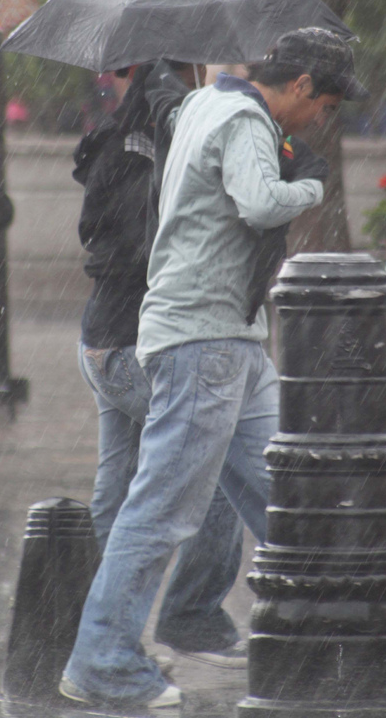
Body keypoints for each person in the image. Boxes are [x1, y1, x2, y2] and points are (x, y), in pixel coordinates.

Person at [59, 28, 369, 709]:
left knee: (286, 487)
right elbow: (258, 203)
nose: (320, 119)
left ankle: (360, 618)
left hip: (229, 338)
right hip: (204, 341)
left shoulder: (205, 103)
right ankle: (102, 660)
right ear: (299, 86)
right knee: (163, 509)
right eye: (322, 106)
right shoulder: (240, 117)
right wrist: (309, 184)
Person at [72, 60, 246, 669]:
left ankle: (89, 624)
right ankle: (190, 614)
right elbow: (139, 243)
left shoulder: (127, 136)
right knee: (215, 457)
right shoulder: (151, 146)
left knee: (118, 484)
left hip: (108, 338)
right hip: (132, 344)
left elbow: (101, 233)